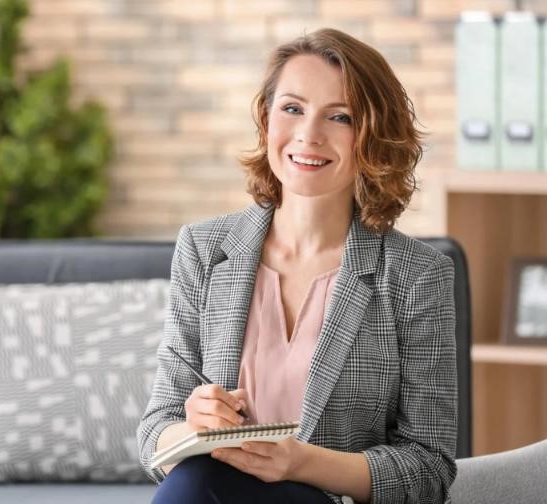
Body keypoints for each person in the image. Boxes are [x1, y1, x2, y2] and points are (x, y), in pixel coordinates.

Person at [137, 28, 457, 504]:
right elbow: (154, 434)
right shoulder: (204, 250)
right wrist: (192, 427)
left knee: (195, 486)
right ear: (267, 119)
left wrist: (300, 462)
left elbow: (429, 468)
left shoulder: (416, 275)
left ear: (373, 136)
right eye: (292, 109)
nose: (309, 134)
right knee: (195, 479)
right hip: (207, 490)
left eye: (340, 116)